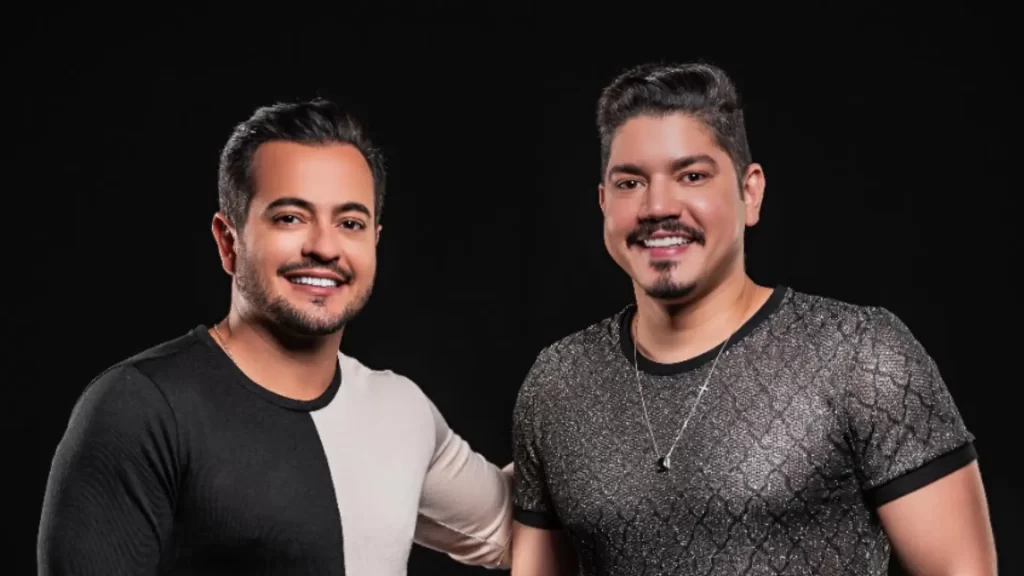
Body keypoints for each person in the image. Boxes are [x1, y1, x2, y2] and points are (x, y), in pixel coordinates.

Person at [510, 62, 997, 575]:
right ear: (604, 203)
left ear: (750, 192)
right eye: (630, 183)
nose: (657, 206)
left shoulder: (859, 355)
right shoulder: (558, 384)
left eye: (692, 176)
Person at [38, 99, 512, 575]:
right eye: (290, 217)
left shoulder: (401, 410)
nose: (324, 247)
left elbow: (523, 530)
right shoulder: (141, 408)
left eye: (350, 224)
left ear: (374, 241)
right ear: (229, 241)